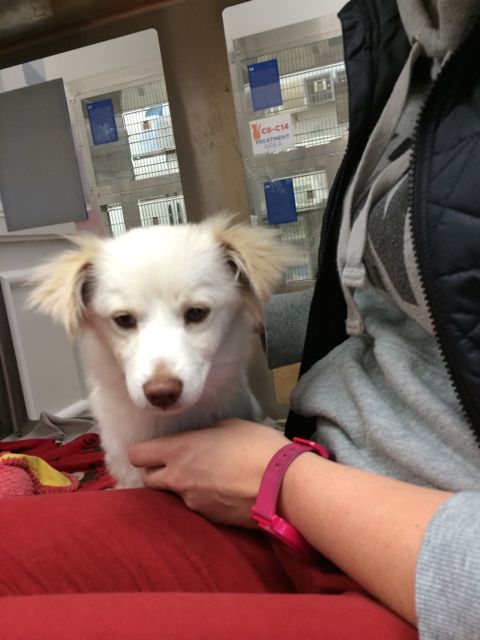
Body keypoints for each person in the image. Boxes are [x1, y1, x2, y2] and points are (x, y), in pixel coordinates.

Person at [2, 1, 480, 638]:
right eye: (125, 320)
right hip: (309, 471)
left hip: (388, 548)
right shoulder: (411, 55)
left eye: (196, 313)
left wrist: (281, 478)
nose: (161, 369)